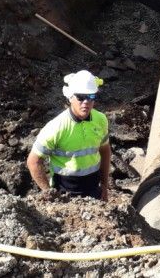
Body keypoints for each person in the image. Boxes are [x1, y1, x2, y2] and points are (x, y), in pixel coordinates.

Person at [26, 70, 111, 200]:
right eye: (81, 97)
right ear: (70, 97)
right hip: (65, 195)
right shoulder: (56, 127)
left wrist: (104, 186)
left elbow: (105, 151)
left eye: (91, 96)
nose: (86, 102)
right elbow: (33, 161)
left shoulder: (100, 120)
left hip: (94, 191)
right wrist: (49, 193)